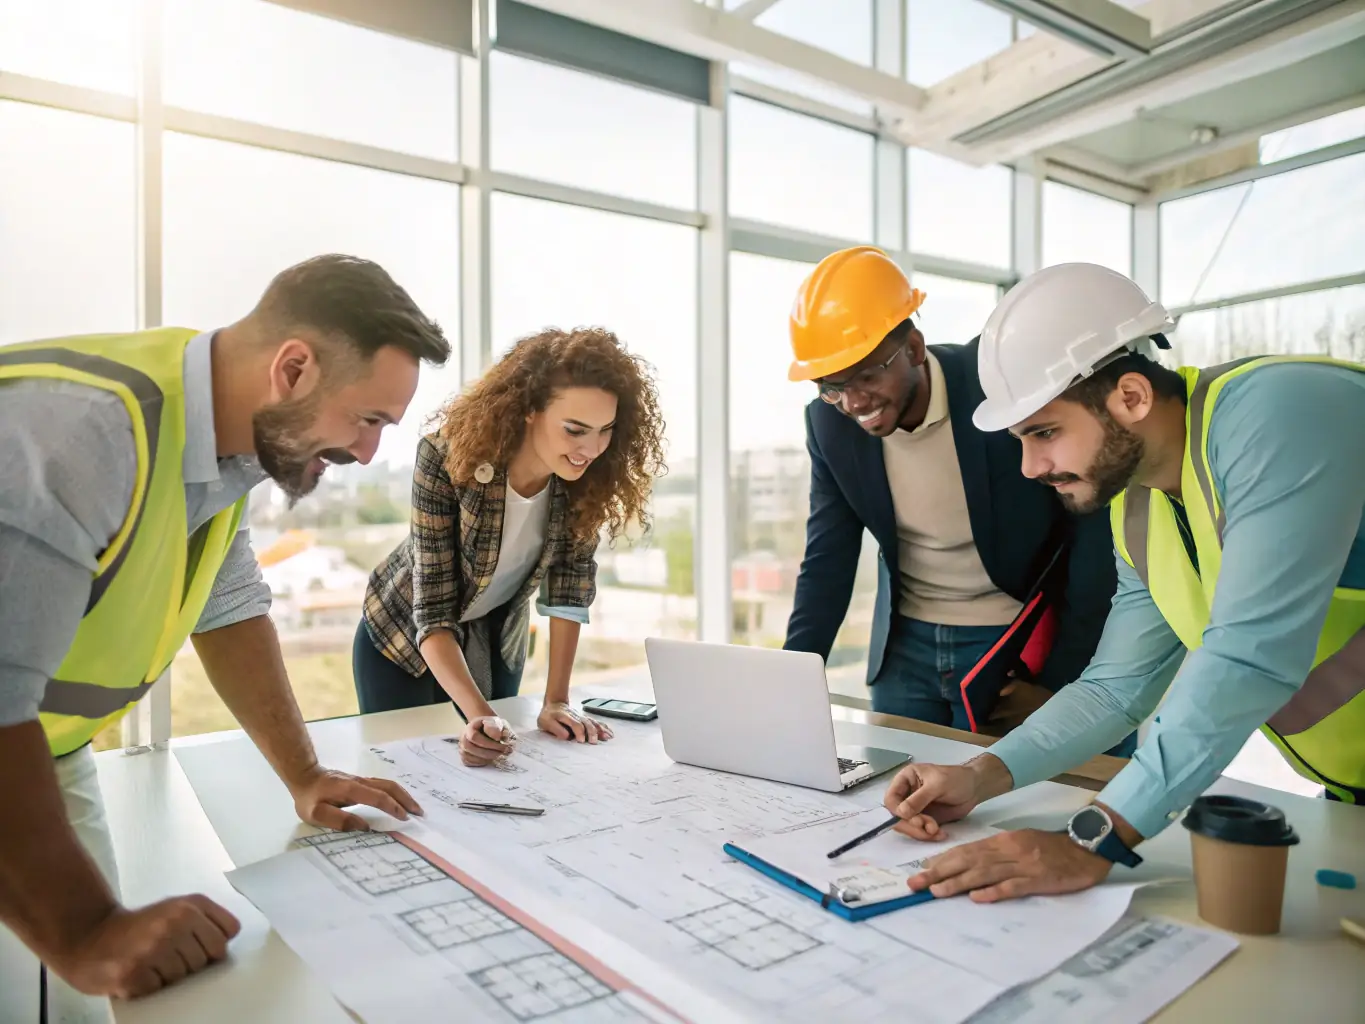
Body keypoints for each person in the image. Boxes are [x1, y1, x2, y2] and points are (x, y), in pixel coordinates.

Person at [0, 254, 448, 1014]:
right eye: (367, 419)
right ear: (295, 368)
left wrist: (303, 774)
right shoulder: (84, 433)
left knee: (80, 998)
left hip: (46, 743)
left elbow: (228, 606)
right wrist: (84, 930)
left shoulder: (220, 447)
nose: (367, 453)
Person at [881, 262, 1365, 905]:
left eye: (1044, 432)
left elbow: (1250, 657)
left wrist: (1093, 840)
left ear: (1131, 397)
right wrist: (978, 776)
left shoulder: (1278, 412)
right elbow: (1115, 689)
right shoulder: (1138, 504)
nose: (1030, 467)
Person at [782, 246, 1123, 741]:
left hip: (1010, 642)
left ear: (915, 349)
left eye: (867, 375)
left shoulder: (997, 384)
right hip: (904, 650)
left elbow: (1089, 530)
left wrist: (1060, 680)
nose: (853, 402)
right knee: (901, 797)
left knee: (1000, 800)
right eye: (831, 385)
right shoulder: (829, 424)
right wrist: (788, 680)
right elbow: (827, 558)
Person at [355, 327, 666, 768]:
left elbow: (569, 593)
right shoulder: (445, 458)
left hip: (494, 636)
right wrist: (481, 717)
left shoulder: (585, 479)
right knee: (411, 774)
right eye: (575, 429)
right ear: (529, 411)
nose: (591, 449)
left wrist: (556, 701)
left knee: (494, 769)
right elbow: (433, 611)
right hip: (403, 636)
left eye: (605, 431)